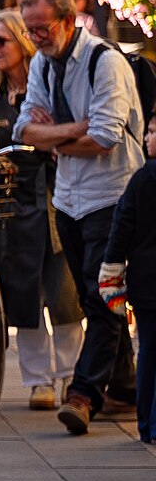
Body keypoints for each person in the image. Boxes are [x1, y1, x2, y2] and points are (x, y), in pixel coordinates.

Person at [16, 0, 145, 434]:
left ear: (68, 21)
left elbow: (107, 138)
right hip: (68, 199)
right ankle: (126, 387)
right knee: (99, 298)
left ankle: (84, 395)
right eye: (29, 30)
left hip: (111, 196)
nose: (35, 38)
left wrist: (55, 137)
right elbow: (23, 132)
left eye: (42, 28)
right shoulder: (44, 67)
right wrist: (75, 130)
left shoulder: (104, 62)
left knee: (101, 295)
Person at [0, 9, 82, 409]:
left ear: (22, 43)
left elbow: (67, 125)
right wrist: (8, 131)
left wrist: (43, 132)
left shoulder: (46, 81)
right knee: (22, 293)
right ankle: (38, 382)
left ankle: (70, 377)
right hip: (8, 201)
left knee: (64, 293)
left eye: (1, 41)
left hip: (52, 195)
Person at [100, 117, 156, 443]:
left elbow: (120, 229)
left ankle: (146, 424)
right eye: (147, 131)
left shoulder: (141, 180)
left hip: (146, 284)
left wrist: (111, 268)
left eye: (152, 132)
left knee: (148, 349)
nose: (147, 137)